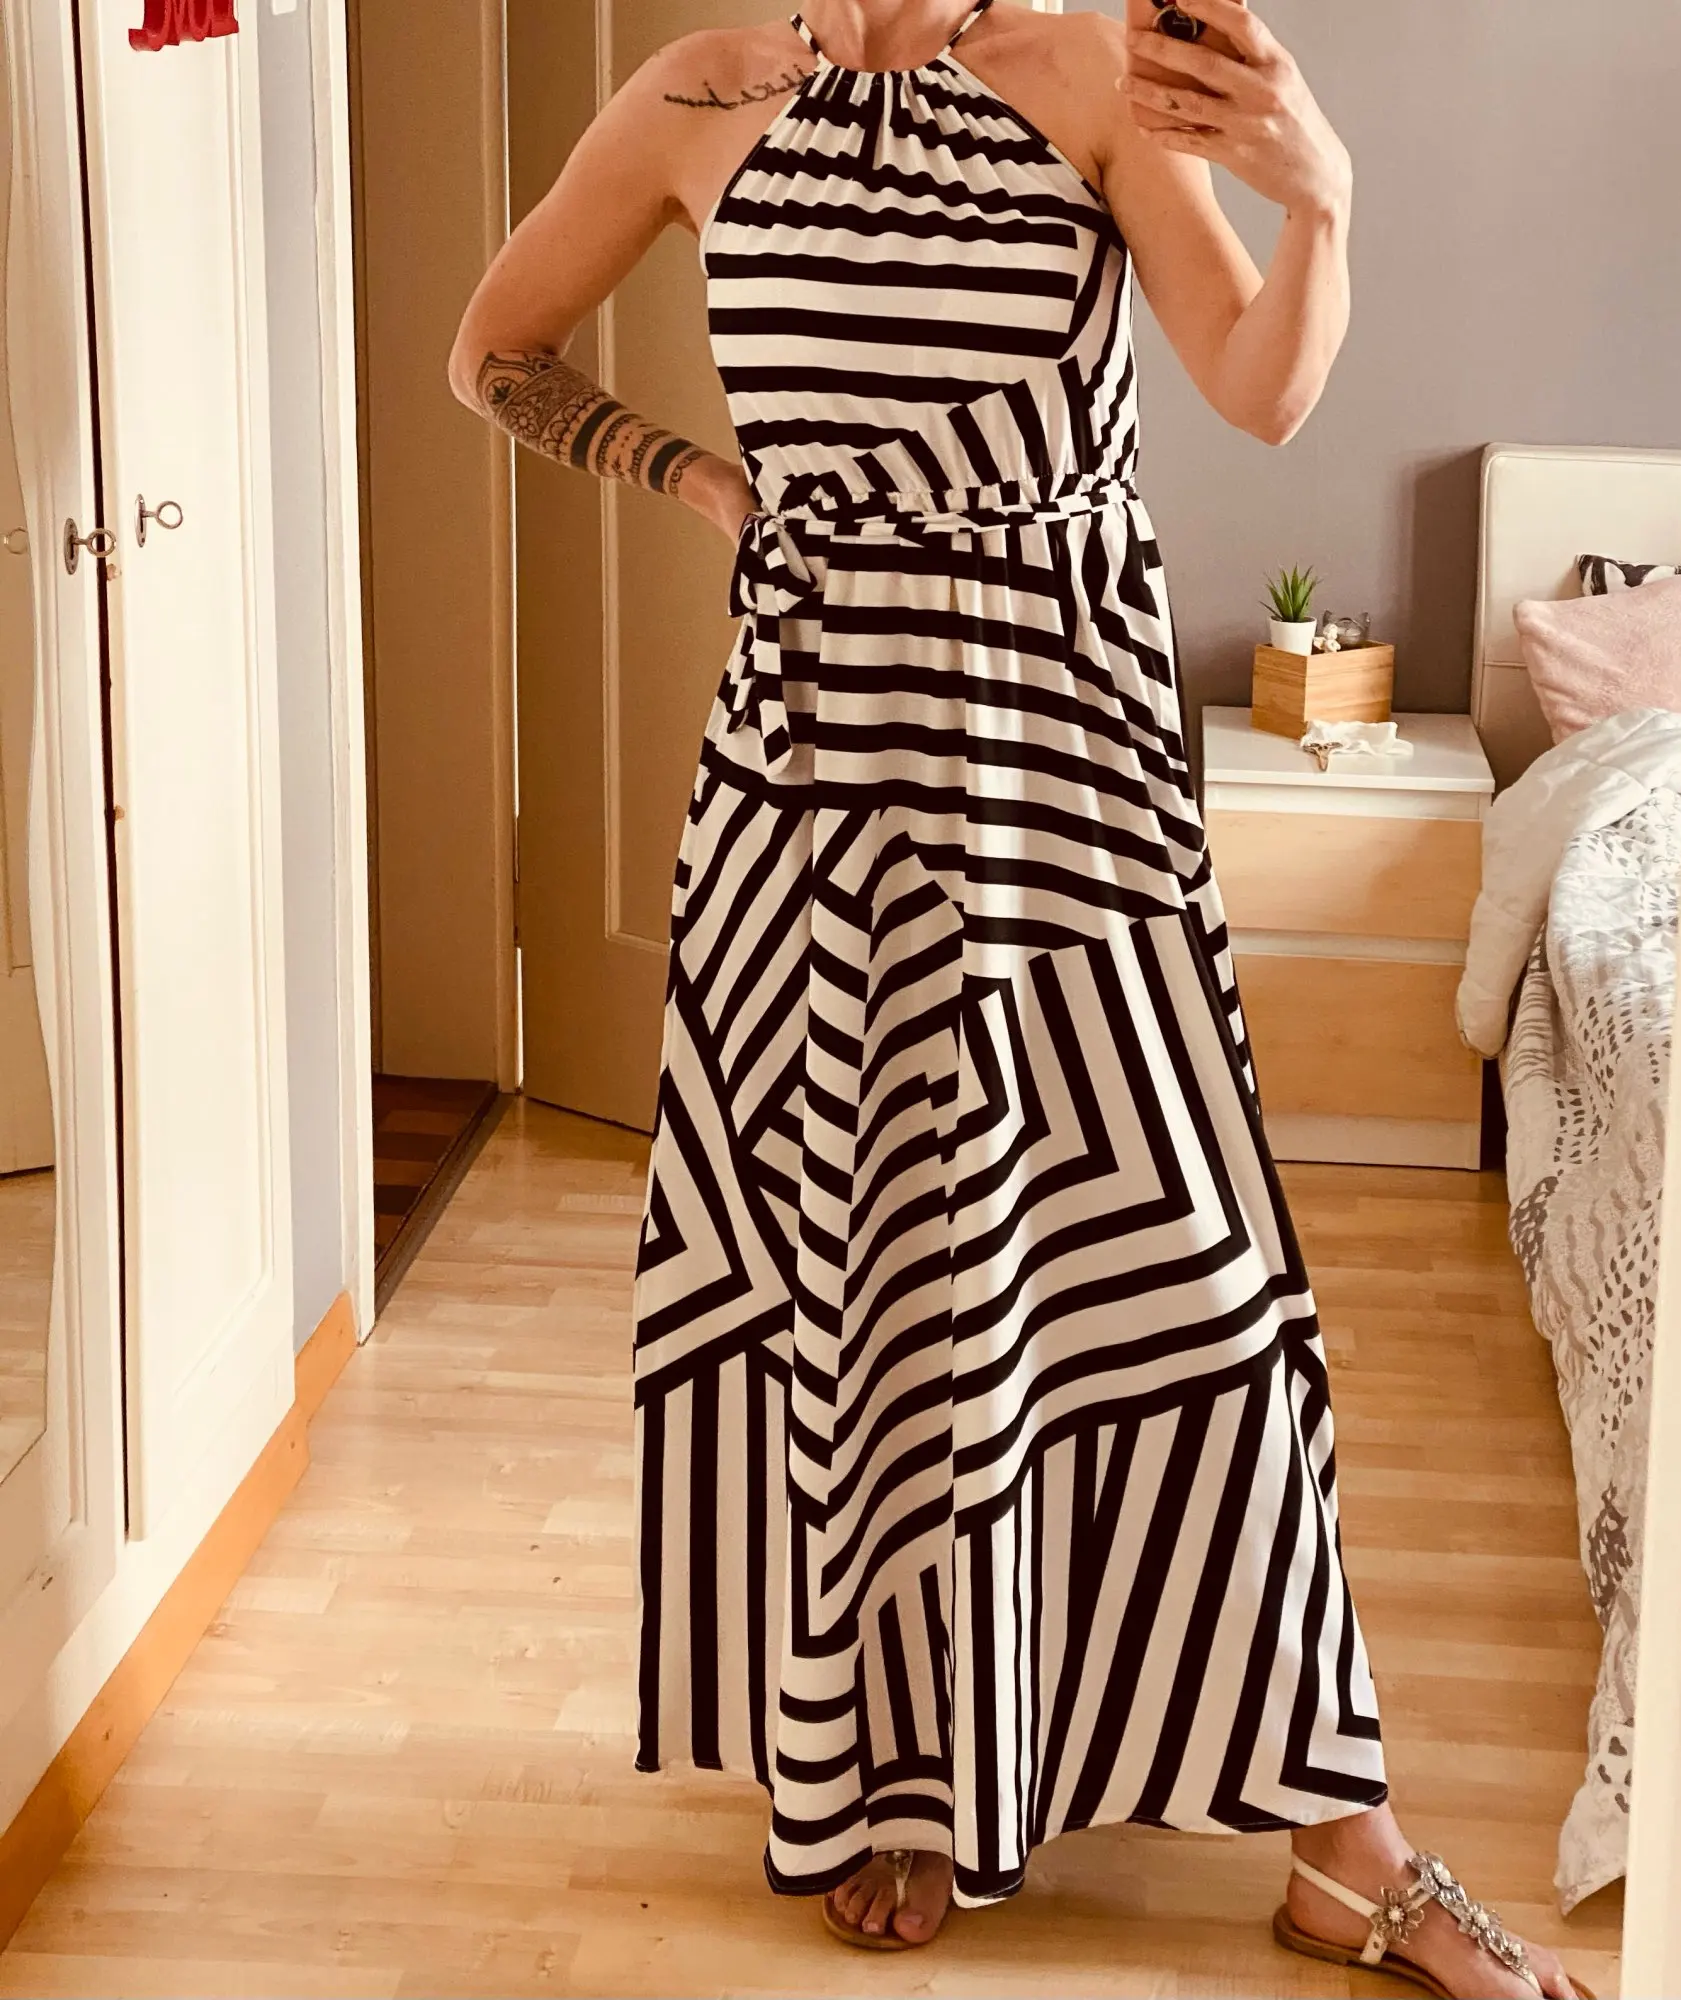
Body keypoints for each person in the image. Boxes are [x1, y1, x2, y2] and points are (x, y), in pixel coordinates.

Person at [450, 4, 1582, 1992]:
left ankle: (1349, 1842)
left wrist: (1322, 201)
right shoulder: (698, 90)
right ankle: (898, 1771)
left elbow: (1263, 389)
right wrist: (702, 484)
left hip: (1064, 772)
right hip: (811, 783)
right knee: (853, 1266)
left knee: (1187, 1283)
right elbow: (493, 355)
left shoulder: (1086, 76)